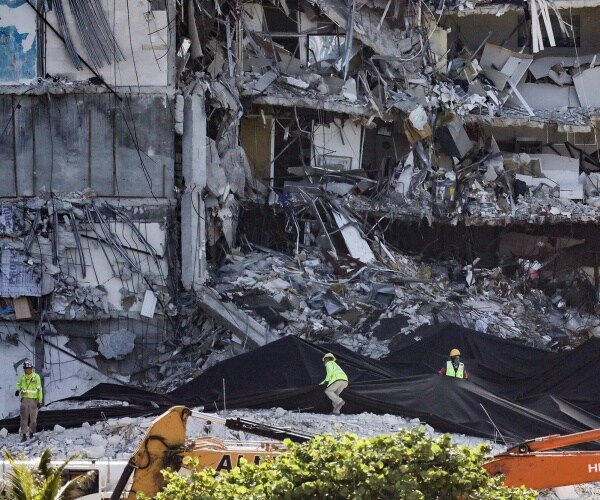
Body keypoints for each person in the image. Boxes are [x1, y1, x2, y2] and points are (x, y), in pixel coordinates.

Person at [15, 359, 43, 442]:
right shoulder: (22, 377)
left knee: (33, 418)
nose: (27, 370)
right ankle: (24, 435)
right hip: (24, 400)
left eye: (29, 368)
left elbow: (39, 390)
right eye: (26, 368)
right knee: (24, 418)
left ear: (31, 368)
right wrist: (17, 390)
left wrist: (40, 401)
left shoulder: (36, 377)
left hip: (33, 400)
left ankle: (31, 433)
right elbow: (18, 384)